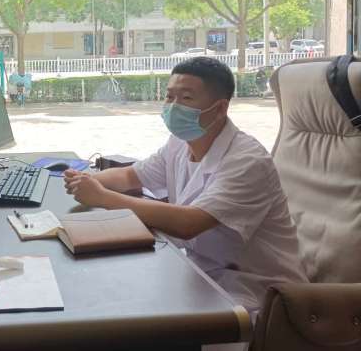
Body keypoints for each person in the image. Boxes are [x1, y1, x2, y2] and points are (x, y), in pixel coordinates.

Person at [63, 57, 308, 319]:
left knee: (131, 316)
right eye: (169, 97)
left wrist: (102, 197)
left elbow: (189, 223)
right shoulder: (180, 143)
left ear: (220, 108)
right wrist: (84, 179)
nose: (173, 107)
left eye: (186, 98)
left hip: (257, 292)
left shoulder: (248, 161)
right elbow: (130, 175)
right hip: (201, 272)